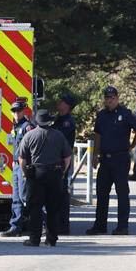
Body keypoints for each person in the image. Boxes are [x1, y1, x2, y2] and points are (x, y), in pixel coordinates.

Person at [88, 86, 136, 235]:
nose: (110, 100)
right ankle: (100, 225)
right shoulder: (101, 115)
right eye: (107, 97)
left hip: (120, 159)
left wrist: (132, 146)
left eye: (112, 97)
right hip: (105, 160)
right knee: (101, 193)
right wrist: (95, 155)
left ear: (117, 98)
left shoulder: (125, 113)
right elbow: (98, 135)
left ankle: (122, 226)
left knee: (122, 193)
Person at [18, 109, 72, 247]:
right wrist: (62, 173)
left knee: (35, 208)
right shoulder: (59, 135)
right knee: (53, 208)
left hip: (36, 175)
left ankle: (34, 239)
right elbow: (67, 157)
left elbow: (22, 159)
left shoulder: (29, 136)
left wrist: (26, 173)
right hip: (54, 174)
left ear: (37, 121)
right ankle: (51, 239)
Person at [0, 100, 33, 237]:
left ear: (24, 111)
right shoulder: (16, 126)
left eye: (18, 111)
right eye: (14, 111)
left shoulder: (27, 127)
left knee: (27, 197)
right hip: (17, 165)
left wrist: (25, 166)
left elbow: (30, 148)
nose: (16, 113)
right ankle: (15, 227)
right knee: (16, 198)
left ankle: (43, 223)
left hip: (24, 165)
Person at [53, 93, 78, 234]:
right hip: (57, 160)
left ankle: (63, 226)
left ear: (67, 106)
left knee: (62, 194)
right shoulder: (60, 119)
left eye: (62, 101)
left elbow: (60, 140)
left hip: (63, 161)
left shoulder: (67, 122)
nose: (59, 103)